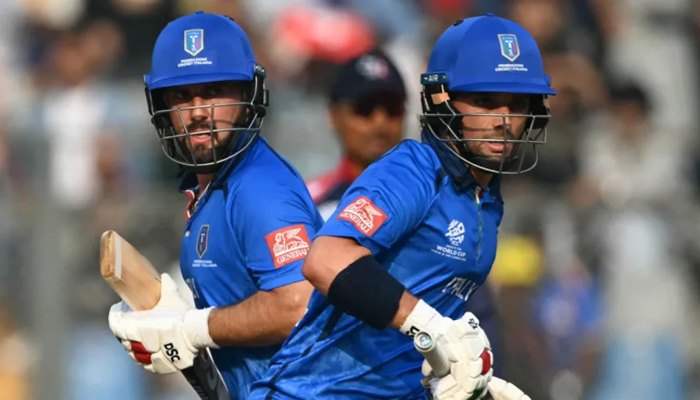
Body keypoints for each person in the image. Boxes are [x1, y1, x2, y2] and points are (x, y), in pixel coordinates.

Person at [248, 14, 555, 400]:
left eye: (517, 104)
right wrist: (433, 327)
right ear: (442, 99)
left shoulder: (487, 202)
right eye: (485, 102)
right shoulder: (414, 170)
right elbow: (325, 260)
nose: (504, 121)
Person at [107, 11, 323, 400]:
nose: (197, 112)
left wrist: (190, 328)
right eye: (181, 95)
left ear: (248, 97)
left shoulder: (259, 188)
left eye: (214, 91)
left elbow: (299, 303)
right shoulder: (209, 189)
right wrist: (170, 323)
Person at [307, 48, 504, 375]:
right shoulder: (311, 203)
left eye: (392, 108)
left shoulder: (454, 205)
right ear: (334, 115)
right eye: (365, 108)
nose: (380, 122)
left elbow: (474, 314)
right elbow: (303, 293)